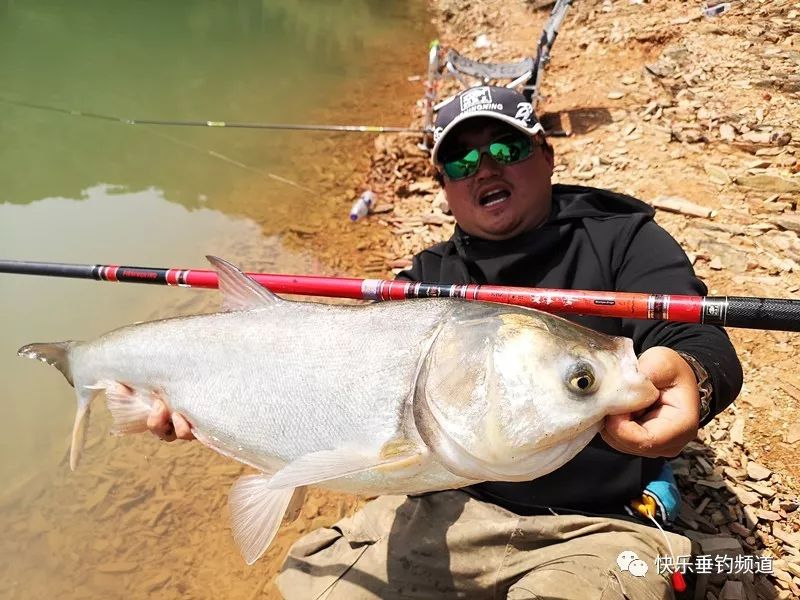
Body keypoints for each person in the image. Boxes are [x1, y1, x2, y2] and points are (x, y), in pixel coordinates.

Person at [148, 85, 742, 599]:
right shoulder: (428, 280)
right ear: (444, 187)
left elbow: (696, 337)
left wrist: (693, 374)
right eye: (460, 161)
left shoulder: (621, 238)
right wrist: (217, 406)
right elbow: (330, 376)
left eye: (505, 148)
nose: (484, 169)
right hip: (447, 503)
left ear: (547, 154)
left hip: (597, 524)